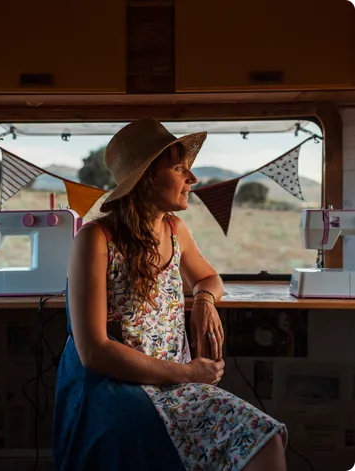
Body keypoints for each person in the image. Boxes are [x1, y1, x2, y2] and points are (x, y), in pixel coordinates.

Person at [52, 118, 288, 471]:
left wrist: (204, 302)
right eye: (179, 168)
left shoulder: (175, 230)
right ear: (146, 177)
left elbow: (209, 277)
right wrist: (188, 374)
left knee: (267, 440)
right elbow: (94, 352)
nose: (191, 178)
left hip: (175, 384)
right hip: (116, 384)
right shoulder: (96, 239)